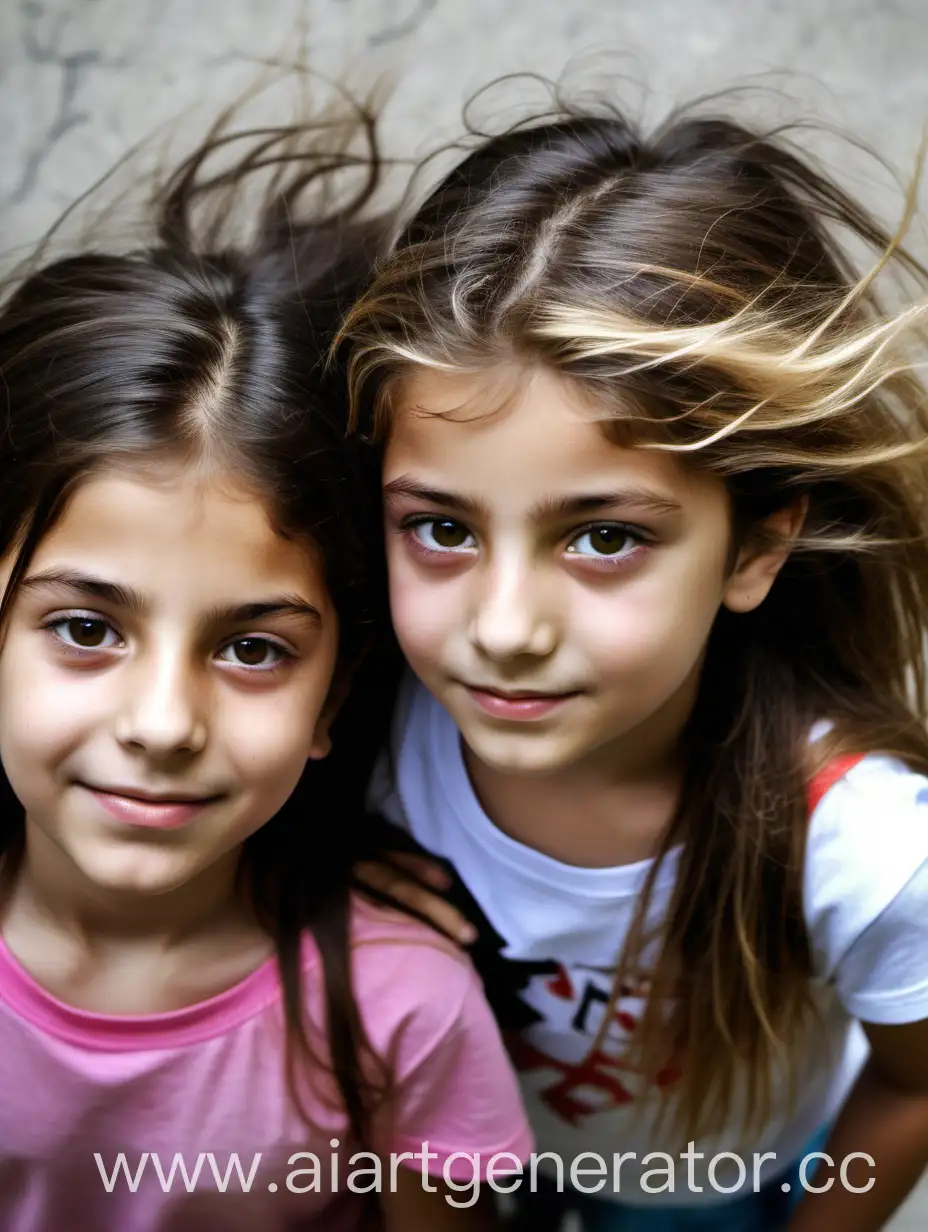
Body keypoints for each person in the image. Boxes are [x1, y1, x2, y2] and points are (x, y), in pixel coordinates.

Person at [340, 96, 928, 1230]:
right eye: (442, 528)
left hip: (707, 1186)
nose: (503, 625)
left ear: (756, 543)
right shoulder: (351, 728)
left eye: (603, 535)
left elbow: (912, 1082)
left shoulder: (865, 851)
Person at [0, 105, 532, 1232]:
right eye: (86, 627)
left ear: (336, 691)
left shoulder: (397, 1006)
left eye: (252, 647)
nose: (160, 722)